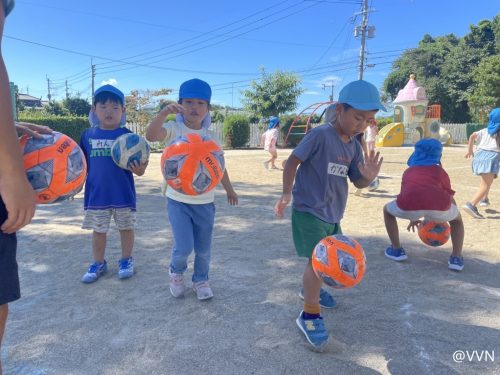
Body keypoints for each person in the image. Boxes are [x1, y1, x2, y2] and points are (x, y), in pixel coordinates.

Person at [274, 80, 384, 351]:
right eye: (358, 117)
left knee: (324, 262)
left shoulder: (354, 146)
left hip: (333, 215)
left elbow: (357, 181)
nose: (362, 124)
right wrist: (287, 193)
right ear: (339, 109)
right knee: (317, 262)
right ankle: (309, 315)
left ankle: (311, 289)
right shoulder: (321, 135)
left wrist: (368, 178)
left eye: (368, 120)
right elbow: (292, 161)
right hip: (309, 211)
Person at [146, 78, 238, 300]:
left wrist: (229, 189)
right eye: (188, 102)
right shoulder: (174, 128)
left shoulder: (212, 137)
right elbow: (150, 136)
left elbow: (218, 168)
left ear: (208, 108)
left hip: (205, 202)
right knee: (184, 246)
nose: (194, 107)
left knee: (204, 248)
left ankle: (201, 280)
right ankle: (176, 273)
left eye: (200, 103)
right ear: (179, 105)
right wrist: (162, 114)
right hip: (177, 200)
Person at [79, 85, 148, 283]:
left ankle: (126, 260)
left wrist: (139, 170)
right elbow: (79, 164)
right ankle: (98, 263)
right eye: (103, 106)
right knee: (99, 230)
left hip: (123, 194)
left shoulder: (130, 138)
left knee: (126, 228)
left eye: (115, 107)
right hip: (97, 194)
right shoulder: (87, 135)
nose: (109, 111)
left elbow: (141, 169)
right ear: (94, 110)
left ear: (123, 111)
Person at [383, 138, 465, 271]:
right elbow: (448, 195)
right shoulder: (441, 172)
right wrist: (452, 212)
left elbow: (406, 196)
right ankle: (456, 258)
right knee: (457, 221)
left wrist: (413, 217)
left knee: (387, 210)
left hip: (410, 207)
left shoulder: (408, 172)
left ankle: (396, 250)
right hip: (440, 209)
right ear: (439, 156)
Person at [462, 108, 500, 219]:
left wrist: (469, 150)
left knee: (486, 181)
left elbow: (472, 136)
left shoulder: (485, 130)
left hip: (479, 157)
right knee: (486, 184)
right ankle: (471, 205)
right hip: (491, 158)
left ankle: (484, 199)